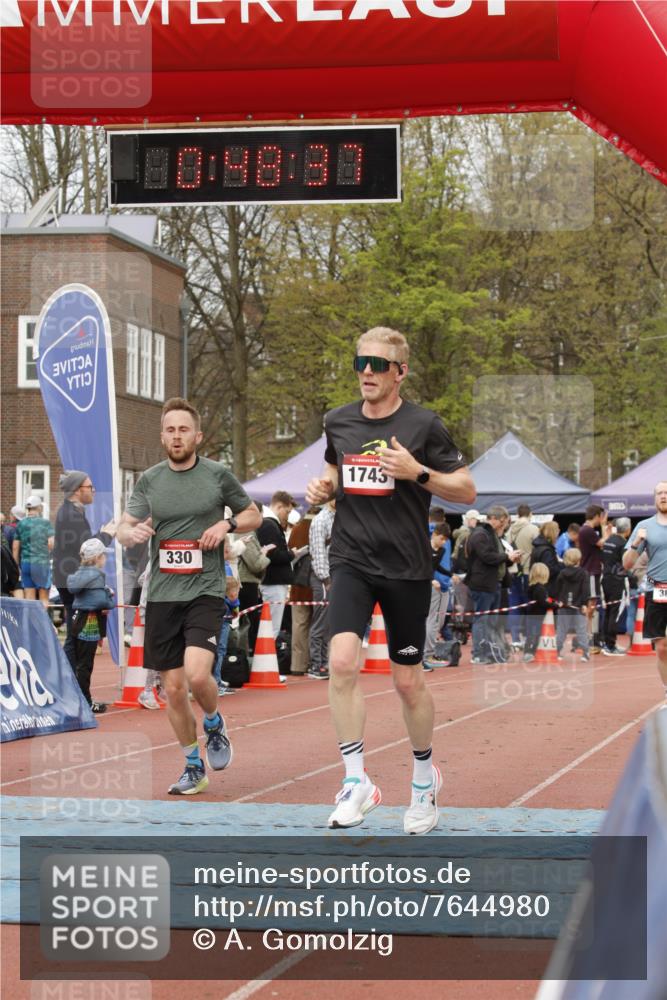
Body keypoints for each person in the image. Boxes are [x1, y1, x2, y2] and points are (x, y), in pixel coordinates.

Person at [306, 326, 476, 835]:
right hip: (351, 559)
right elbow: (334, 473)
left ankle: (424, 781)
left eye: (378, 365)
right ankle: (356, 780)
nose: (366, 372)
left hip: (406, 567)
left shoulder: (424, 424)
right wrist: (323, 486)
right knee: (340, 661)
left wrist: (417, 471)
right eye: (360, 362)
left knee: (407, 681)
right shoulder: (338, 421)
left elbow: (466, 490)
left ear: (400, 372)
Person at [116, 397, 261, 796]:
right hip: (162, 593)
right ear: (162, 436)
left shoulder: (217, 476)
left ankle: (213, 722)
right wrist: (131, 533)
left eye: (183, 430)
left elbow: (254, 515)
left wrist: (226, 524)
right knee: (173, 689)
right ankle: (193, 767)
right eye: (170, 430)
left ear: (196, 436)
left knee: (198, 676)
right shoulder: (150, 480)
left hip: (205, 589)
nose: (176, 436)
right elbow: (124, 526)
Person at [53, 470, 116, 668]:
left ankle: (72, 686)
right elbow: (86, 549)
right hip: (73, 580)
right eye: (90, 487)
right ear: (77, 490)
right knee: (76, 636)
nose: (93, 491)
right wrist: (105, 535)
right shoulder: (70, 514)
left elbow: (82, 544)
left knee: (77, 634)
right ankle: (72, 685)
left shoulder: (72, 511)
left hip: (70, 579)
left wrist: (103, 534)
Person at [623, 481, 667, 708]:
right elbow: (627, 564)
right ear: (654, 498)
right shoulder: (645, 526)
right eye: (660, 493)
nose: (663, 496)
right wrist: (636, 543)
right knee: (662, 648)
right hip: (657, 590)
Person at [66, 538, 115, 713]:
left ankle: (75, 698)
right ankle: (85, 702)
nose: (105, 560)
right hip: (89, 622)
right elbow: (101, 602)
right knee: (85, 665)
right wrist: (109, 596)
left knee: (74, 661)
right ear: (98, 558)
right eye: (104, 556)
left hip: (76, 619)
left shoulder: (78, 573)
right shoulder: (97, 575)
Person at [467, 507, 522, 664]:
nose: (504, 525)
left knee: (491, 621)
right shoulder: (480, 534)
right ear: (495, 519)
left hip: (493, 583)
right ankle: (478, 654)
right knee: (482, 619)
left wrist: (510, 559)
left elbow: (496, 557)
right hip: (483, 583)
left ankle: (490, 652)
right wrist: (507, 556)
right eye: (503, 521)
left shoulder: (493, 535)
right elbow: (487, 557)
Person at [256, 491, 296, 639]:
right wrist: (292, 554)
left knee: (271, 626)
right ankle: (267, 660)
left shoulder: (269, 524)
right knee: (271, 628)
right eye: (287, 511)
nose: (288, 515)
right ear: (279, 506)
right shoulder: (269, 524)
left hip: (273, 581)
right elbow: (272, 555)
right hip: (273, 582)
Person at [307, 500, 335, 680]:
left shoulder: (340, 518)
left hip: (336, 575)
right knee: (320, 622)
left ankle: (323, 661)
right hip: (324, 578)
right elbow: (317, 553)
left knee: (328, 622)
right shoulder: (321, 520)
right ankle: (316, 664)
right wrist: (326, 579)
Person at [578, 504, 612, 651]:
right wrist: (607, 533)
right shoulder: (587, 530)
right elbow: (602, 543)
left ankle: (588, 636)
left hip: (592, 571)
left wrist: (604, 528)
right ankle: (586, 637)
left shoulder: (587, 530)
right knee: (591, 606)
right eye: (601, 517)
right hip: (591, 571)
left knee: (592, 604)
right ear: (597, 516)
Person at [12, 495, 54, 608]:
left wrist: (16, 566)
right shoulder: (45, 523)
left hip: (26, 564)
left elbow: (15, 547)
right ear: (39, 508)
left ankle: (28, 625)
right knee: (43, 599)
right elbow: (51, 543)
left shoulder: (21, 524)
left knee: (29, 600)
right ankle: (42, 625)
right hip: (41, 563)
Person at [507, 505, 539, 648]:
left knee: (514, 605)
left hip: (513, 572)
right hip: (527, 572)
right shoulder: (533, 529)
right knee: (529, 605)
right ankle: (528, 637)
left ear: (517, 514)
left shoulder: (509, 531)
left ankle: (514, 638)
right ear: (530, 514)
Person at [600, 517, 632, 655]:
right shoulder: (624, 544)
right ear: (628, 529)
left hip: (605, 578)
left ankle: (605, 642)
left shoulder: (608, 540)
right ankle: (610, 645)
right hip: (617, 581)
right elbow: (626, 564)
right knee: (615, 613)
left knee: (608, 612)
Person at [423, 523, 453, 669]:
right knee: (429, 620)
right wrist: (430, 579)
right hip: (421, 585)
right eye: (441, 539)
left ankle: (426, 654)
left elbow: (435, 567)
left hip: (432, 586)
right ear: (434, 534)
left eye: (446, 540)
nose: (443, 542)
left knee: (434, 620)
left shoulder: (441, 550)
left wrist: (451, 575)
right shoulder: (423, 547)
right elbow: (420, 567)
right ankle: (426, 655)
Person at [553, 548, 591, 661]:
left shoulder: (562, 573)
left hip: (564, 606)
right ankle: (585, 653)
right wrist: (584, 604)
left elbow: (557, 589)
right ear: (578, 560)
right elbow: (585, 590)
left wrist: (558, 600)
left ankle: (557, 651)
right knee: (581, 630)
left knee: (561, 630)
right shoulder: (583, 573)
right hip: (578, 606)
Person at [523, 562, 557, 660]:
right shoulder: (540, 588)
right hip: (536, 615)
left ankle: (529, 652)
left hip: (532, 615)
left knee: (531, 634)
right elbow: (543, 603)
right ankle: (529, 652)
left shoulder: (531, 587)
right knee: (534, 635)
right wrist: (555, 605)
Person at [529, 521, 563, 597]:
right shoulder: (547, 550)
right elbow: (550, 570)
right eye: (557, 530)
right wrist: (562, 565)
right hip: (547, 588)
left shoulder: (538, 546)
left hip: (538, 586)